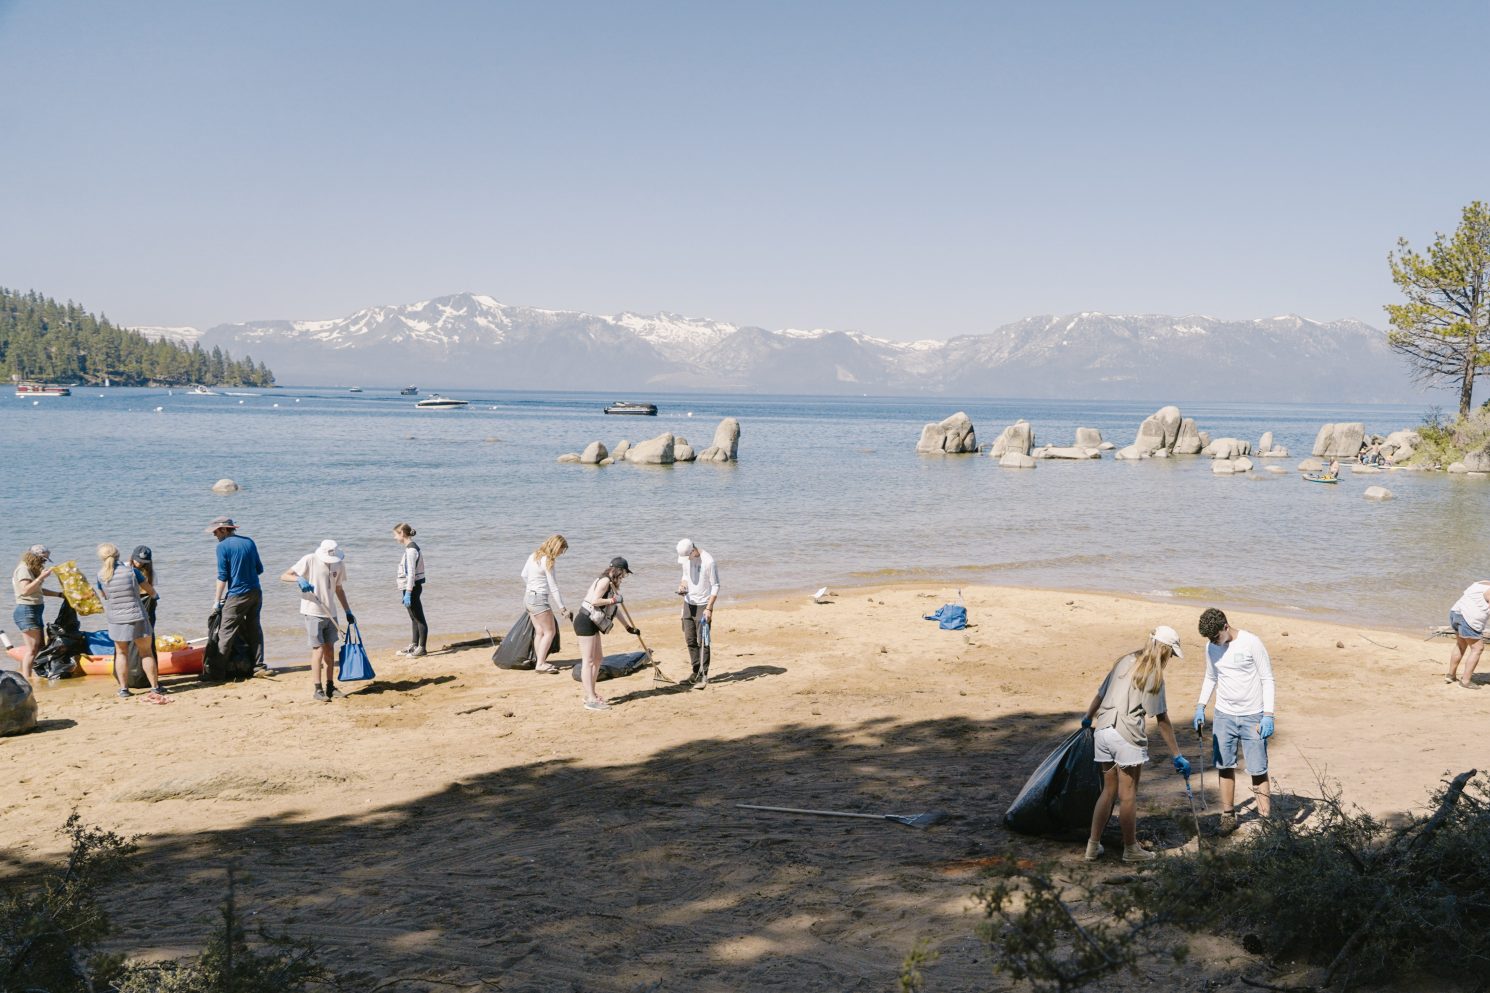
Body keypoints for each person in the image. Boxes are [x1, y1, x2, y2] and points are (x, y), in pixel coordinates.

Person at [1080, 626, 1189, 862]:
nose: (1170, 658)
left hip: (1104, 730)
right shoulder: (1153, 674)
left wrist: (1088, 717)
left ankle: (1092, 846)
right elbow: (1161, 719)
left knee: (1108, 791)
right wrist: (1177, 755)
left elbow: (1101, 693)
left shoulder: (1124, 660)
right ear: (1164, 650)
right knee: (1128, 795)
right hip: (1125, 736)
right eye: (1171, 654)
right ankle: (1130, 849)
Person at [1194, 608, 1276, 833]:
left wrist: (1268, 715)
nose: (1214, 642)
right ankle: (1228, 815)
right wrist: (1201, 705)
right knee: (1225, 766)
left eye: (1216, 637)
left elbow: (1267, 678)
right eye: (1210, 639)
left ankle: (1265, 819)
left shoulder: (1252, 643)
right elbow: (1211, 677)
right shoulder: (1211, 646)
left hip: (1253, 716)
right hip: (1224, 715)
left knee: (1258, 768)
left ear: (1226, 627)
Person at [281, 540, 355, 702]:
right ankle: (317, 689)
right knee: (318, 650)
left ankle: (330, 686)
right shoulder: (310, 559)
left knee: (330, 650)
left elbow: (339, 589)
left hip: (331, 613)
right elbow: (285, 575)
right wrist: (299, 580)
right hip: (312, 611)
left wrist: (347, 611)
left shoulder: (339, 564)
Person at [96, 543, 168, 703]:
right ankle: (155, 687)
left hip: (116, 619)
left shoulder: (101, 575)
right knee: (146, 653)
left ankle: (124, 690)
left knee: (121, 653)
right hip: (137, 616)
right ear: (118, 555)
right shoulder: (132, 571)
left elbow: (104, 595)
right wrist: (155, 596)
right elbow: (148, 589)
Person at [573, 557, 639, 711]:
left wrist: (628, 627)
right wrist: (613, 600)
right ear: (617, 570)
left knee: (598, 659)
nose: (624, 577)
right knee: (588, 661)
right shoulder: (604, 581)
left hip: (592, 623)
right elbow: (595, 601)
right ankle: (590, 698)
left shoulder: (610, 584)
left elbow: (615, 610)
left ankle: (592, 693)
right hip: (585, 621)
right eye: (623, 573)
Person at [207, 517, 265, 674]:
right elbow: (259, 569)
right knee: (254, 628)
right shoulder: (249, 542)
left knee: (226, 631)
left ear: (224, 529)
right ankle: (259, 665)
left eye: (215, 531)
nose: (214, 535)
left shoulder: (222, 547)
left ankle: (216, 671)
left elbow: (222, 576)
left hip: (237, 594)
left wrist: (217, 601)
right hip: (255, 592)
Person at [11, 544, 63, 681]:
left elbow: (37, 590)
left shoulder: (29, 569)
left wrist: (58, 595)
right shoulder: (23, 569)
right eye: (43, 560)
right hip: (26, 611)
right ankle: (27, 679)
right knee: (32, 649)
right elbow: (25, 590)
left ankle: (32, 674)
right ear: (34, 557)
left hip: (34, 610)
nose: (43, 562)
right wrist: (41, 577)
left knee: (38, 646)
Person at [522, 534, 571, 673]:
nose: (561, 554)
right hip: (539, 600)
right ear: (556, 547)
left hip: (527, 598)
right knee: (550, 632)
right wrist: (562, 608)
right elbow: (553, 587)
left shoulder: (534, 555)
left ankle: (540, 661)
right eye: (561, 550)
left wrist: (532, 588)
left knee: (540, 632)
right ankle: (541, 664)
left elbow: (523, 575)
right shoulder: (548, 560)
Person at [675, 538, 720, 688]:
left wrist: (709, 608)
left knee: (703, 641)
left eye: (687, 556)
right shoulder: (686, 560)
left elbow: (715, 586)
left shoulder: (709, 561)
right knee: (690, 639)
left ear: (693, 550)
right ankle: (695, 671)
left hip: (703, 605)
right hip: (688, 603)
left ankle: (703, 674)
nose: (686, 559)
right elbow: (685, 576)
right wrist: (682, 585)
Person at [1446, 579, 1490, 689]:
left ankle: (1451, 675)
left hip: (1455, 613)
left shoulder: (1482, 582)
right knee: (1477, 648)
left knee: (1461, 645)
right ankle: (1465, 681)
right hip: (1468, 619)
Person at [393, 524, 428, 658]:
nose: (395, 537)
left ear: (402, 533)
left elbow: (412, 573)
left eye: (396, 534)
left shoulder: (411, 550)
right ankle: (414, 645)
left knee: (419, 619)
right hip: (408, 588)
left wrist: (408, 592)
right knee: (413, 618)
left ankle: (422, 648)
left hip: (412, 588)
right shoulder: (409, 549)